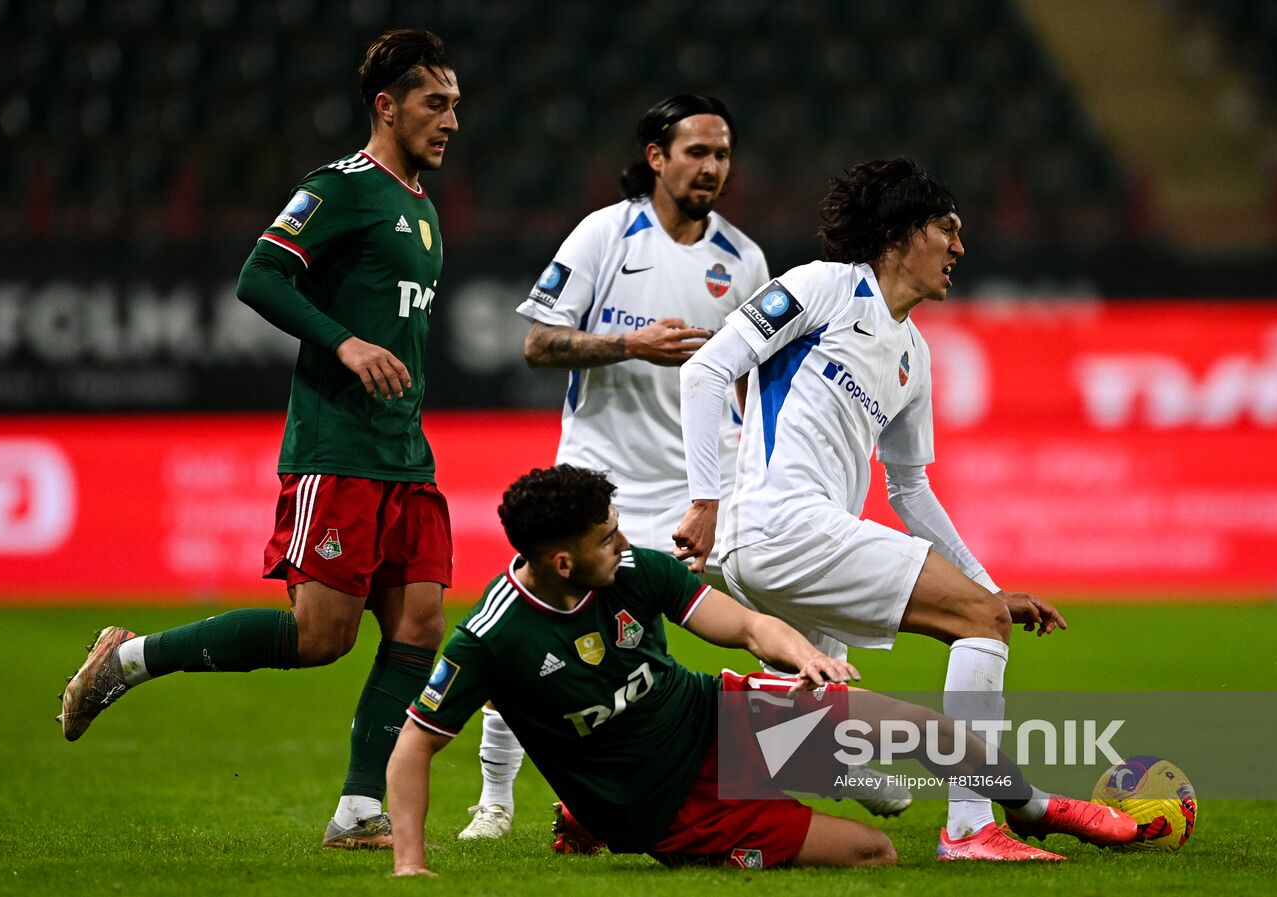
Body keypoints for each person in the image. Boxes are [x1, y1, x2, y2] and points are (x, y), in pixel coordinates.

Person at [58, 29, 461, 851]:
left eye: (456, 105)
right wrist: (344, 342)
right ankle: (130, 657)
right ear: (386, 106)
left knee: (420, 622)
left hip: (404, 452)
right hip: (337, 448)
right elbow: (259, 275)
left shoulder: (419, 206)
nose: (452, 120)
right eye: (435, 103)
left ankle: (358, 811)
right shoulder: (340, 188)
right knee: (322, 638)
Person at [385, 465, 1135, 874]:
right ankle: (594, 817)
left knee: (937, 740)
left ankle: (1034, 811)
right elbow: (415, 743)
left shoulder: (633, 569)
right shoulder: (491, 638)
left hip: (718, 717)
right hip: (671, 809)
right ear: (561, 560)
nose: (624, 544)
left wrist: (802, 654)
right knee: (873, 850)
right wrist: (410, 866)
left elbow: (740, 623)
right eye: (606, 537)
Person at [672, 157, 1081, 859]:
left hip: (794, 543)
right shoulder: (821, 287)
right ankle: (971, 825)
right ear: (900, 233)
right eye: (946, 229)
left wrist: (987, 584)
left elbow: (909, 489)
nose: (959, 247)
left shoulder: (914, 356)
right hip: (782, 524)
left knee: (810, 741)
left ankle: (620, 798)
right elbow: (706, 368)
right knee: (978, 625)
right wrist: (704, 499)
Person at [458, 95, 777, 840]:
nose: (711, 167)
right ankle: (495, 801)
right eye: (696, 151)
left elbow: (751, 379)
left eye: (722, 153)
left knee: (753, 618)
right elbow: (539, 343)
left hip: (702, 488)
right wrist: (633, 346)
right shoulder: (607, 233)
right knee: (535, 637)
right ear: (657, 156)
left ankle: (792, 769)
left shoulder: (745, 258)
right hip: (600, 485)